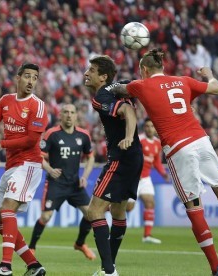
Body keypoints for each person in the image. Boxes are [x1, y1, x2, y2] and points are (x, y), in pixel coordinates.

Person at [114, 48, 218, 276]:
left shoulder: (141, 84)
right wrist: (208, 73)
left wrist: (120, 83)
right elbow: (216, 88)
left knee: (193, 206)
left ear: (144, 69)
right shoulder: (183, 81)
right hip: (202, 140)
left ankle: (217, 267)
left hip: (179, 149)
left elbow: (118, 89)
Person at [0, 63, 48, 276]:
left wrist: (0, 144)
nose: (30, 81)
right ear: (18, 78)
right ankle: (33, 265)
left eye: (34, 78)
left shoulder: (38, 106)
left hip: (28, 164)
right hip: (11, 165)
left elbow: (30, 140)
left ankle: (6, 266)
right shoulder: (6, 100)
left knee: (8, 208)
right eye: (27, 76)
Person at [84, 55, 143, 276]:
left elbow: (127, 111)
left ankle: (108, 271)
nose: (86, 73)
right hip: (135, 157)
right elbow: (134, 94)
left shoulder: (101, 97)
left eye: (92, 70)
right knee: (118, 212)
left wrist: (128, 136)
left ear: (103, 76)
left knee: (94, 212)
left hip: (120, 157)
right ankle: (109, 268)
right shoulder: (120, 87)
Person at [28, 103, 96, 261]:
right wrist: (50, 170)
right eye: (65, 112)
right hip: (55, 183)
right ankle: (31, 247)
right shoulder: (52, 134)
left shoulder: (83, 135)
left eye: (72, 112)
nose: (69, 115)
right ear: (60, 115)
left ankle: (80, 244)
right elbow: (38, 156)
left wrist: (85, 176)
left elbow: (90, 156)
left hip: (74, 184)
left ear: (76, 116)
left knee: (92, 214)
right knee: (45, 217)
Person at [126, 118, 169, 244]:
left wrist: (163, 174)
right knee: (128, 208)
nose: (149, 128)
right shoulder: (139, 140)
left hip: (145, 179)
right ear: (144, 128)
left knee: (150, 203)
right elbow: (130, 157)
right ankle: (102, 210)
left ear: (155, 128)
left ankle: (147, 236)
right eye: (147, 126)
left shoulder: (157, 143)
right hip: (133, 178)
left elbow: (156, 161)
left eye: (152, 126)